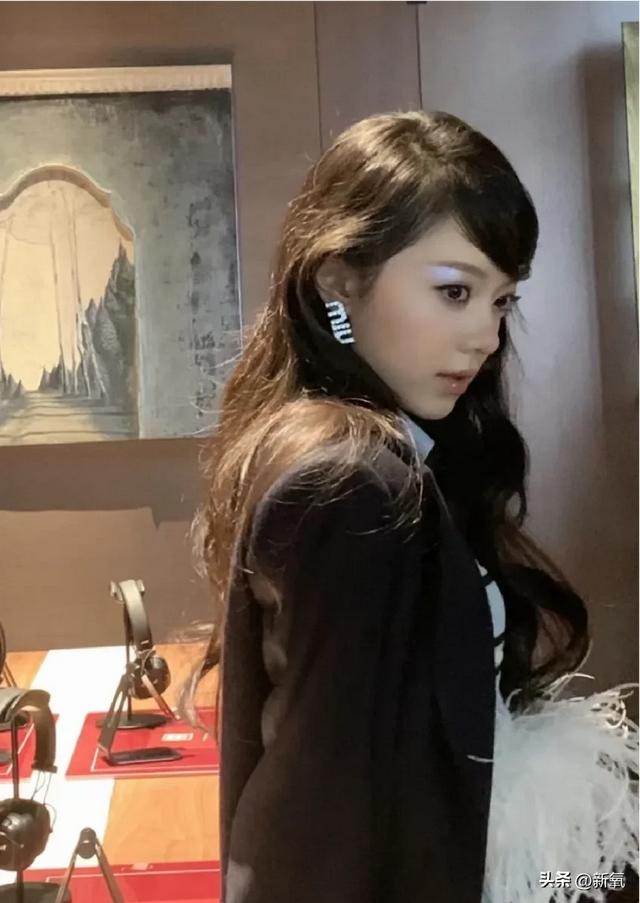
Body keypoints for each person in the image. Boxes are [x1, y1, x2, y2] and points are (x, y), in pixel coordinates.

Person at [188, 111, 638, 903]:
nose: (485, 337)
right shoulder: (351, 482)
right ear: (338, 284)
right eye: (454, 291)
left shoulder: (372, 450)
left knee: (610, 874)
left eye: (501, 302)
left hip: (505, 860)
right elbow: (314, 816)